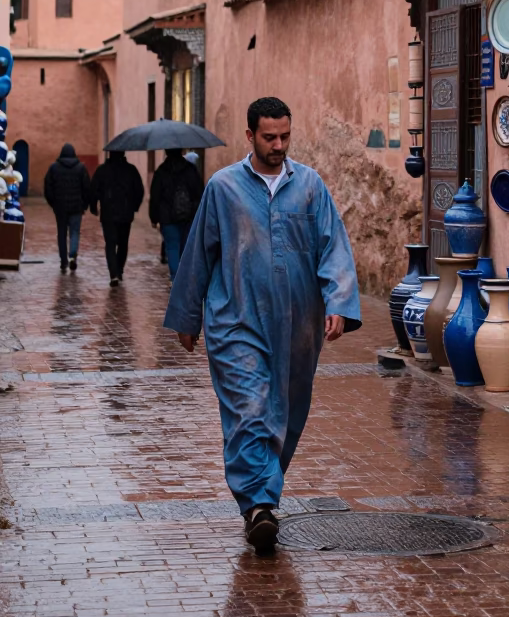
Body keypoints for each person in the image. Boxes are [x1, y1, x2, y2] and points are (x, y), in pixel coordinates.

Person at [163, 96, 361, 554]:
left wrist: (338, 302)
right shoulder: (223, 187)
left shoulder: (310, 187)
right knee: (250, 409)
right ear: (250, 135)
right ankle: (259, 507)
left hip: (298, 324)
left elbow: (332, 248)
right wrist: (188, 316)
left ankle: (262, 496)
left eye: (285, 136)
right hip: (235, 318)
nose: (278, 145)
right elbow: (199, 253)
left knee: (286, 412)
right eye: (269, 137)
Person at [89, 151, 145, 288]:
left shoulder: (102, 170)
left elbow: (93, 190)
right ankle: (119, 270)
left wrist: (93, 206)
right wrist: (135, 207)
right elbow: (139, 190)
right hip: (126, 213)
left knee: (110, 243)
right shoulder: (131, 170)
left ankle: (113, 274)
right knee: (123, 243)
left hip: (108, 213)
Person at [149, 148, 204, 280]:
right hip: (189, 216)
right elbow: (200, 192)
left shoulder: (161, 171)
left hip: (167, 217)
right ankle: (184, 278)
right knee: (186, 249)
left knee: (172, 247)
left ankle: (175, 278)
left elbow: (155, 196)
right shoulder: (191, 169)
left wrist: (153, 217)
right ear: (181, 151)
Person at [43, 143, 91, 274]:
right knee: (75, 232)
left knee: (62, 234)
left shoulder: (54, 168)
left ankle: (63, 260)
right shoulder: (81, 168)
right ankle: (72, 255)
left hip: (60, 207)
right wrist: (85, 204)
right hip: (76, 207)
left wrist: (53, 203)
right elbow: (87, 188)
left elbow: (48, 187)